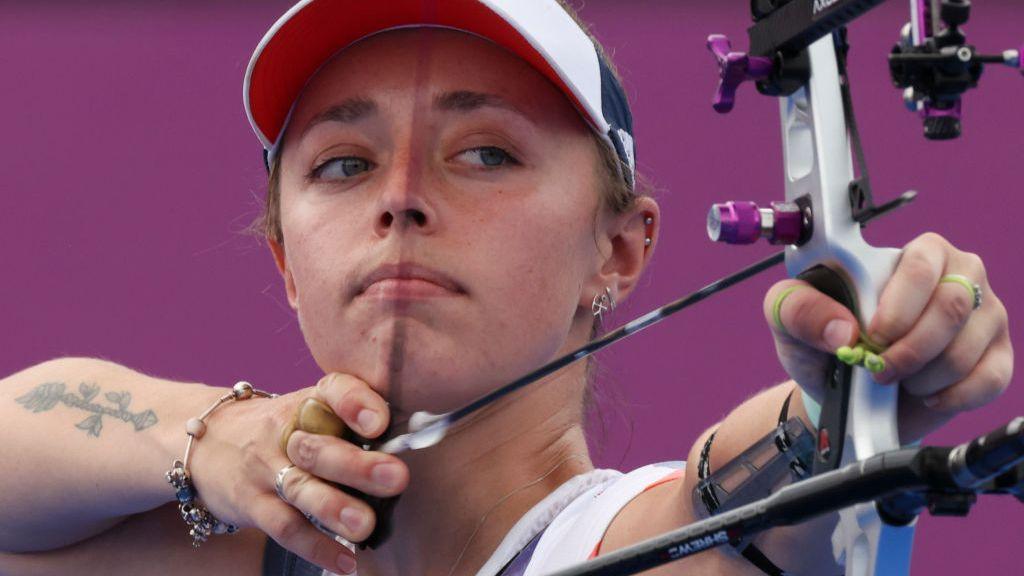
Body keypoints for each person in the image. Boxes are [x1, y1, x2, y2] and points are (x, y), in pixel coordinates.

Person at [0, 1, 1013, 575]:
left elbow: (760, 512)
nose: (399, 199)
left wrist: (857, 390)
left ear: (619, 251)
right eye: (344, 165)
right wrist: (216, 442)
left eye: (483, 153)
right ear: (285, 265)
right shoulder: (244, 558)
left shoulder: (624, 546)